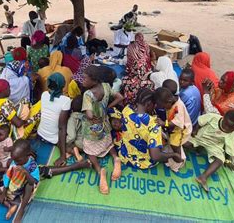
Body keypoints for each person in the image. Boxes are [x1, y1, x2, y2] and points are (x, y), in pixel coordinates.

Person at [81, 66, 123, 195]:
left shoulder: (88, 95)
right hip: (104, 124)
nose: (83, 80)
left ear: (93, 80)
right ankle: (116, 159)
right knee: (108, 143)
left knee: (89, 150)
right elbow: (120, 97)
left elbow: (89, 115)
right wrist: (107, 107)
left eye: (85, 78)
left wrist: (90, 115)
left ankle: (100, 171)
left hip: (92, 129)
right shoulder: (105, 86)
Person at [118, 89, 183, 170]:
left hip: (125, 154)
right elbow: (155, 156)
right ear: (148, 104)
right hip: (143, 162)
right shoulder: (153, 123)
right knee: (168, 143)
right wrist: (173, 155)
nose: (155, 106)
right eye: (154, 104)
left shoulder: (126, 109)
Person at [186, 110, 234, 192]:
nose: (226, 128)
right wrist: (195, 130)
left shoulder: (232, 134)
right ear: (223, 118)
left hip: (214, 145)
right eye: (226, 124)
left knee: (220, 160)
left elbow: (229, 148)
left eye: (231, 128)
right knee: (185, 143)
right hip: (200, 137)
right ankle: (198, 148)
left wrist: (227, 160)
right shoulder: (213, 117)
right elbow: (200, 121)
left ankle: (203, 177)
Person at [154, 88, 192, 171]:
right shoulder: (172, 102)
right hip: (175, 127)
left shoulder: (178, 107)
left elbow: (177, 122)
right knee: (170, 140)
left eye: (163, 107)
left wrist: (164, 123)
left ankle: (179, 159)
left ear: (169, 101)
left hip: (181, 130)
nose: (164, 108)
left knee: (174, 144)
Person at [37, 73, 72, 165]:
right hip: (54, 139)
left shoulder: (44, 95)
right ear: (63, 85)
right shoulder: (66, 100)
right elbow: (62, 127)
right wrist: (62, 156)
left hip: (40, 134)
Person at [121, 33, 154, 104]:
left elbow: (129, 58)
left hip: (128, 108)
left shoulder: (125, 80)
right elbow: (148, 56)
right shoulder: (150, 83)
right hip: (142, 108)